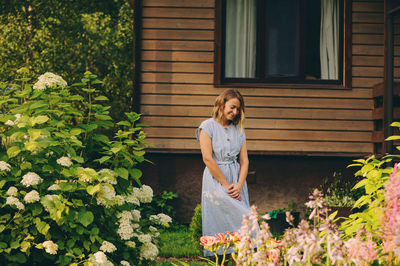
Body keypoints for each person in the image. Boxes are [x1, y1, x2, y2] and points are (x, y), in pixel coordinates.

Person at [196, 89, 251, 257]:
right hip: (216, 178)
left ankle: (241, 257)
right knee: (219, 217)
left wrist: (239, 185)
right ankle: (221, 257)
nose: (235, 112)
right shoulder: (207, 127)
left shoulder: (239, 130)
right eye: (232, 107)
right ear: (222, 104)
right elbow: (207, 158)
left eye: (237, 110)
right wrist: (227, 186)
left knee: (243, 219)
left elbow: (244, 161)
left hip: (237, 178)